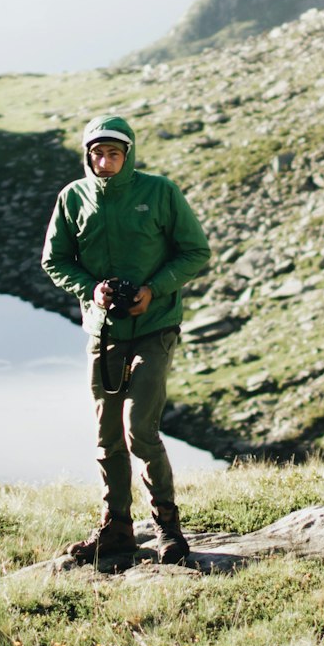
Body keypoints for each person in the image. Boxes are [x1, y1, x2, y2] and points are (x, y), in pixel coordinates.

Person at [41, 114, 211, 565]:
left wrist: (153, 290)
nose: (105, 161)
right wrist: (91, 290)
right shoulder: (73, 197)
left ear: (129, 154)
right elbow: (55, 260)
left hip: (154, 328)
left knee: (140, 430)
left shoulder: (160, 192)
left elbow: (195, 251)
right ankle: (116, 528)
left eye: (114, 153)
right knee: (106, 436)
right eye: (97, 153)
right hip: (104, 333)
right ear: (87, 156)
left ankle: (168, 529)